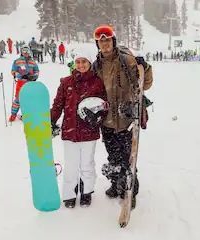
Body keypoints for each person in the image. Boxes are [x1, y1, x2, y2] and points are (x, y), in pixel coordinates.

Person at [92, 25, 153, 209]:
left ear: (113, 41)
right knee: (113, 157)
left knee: (128, 159)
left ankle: (130, 191)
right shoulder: (96, 66)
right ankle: (115, 183)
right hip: (107, 121)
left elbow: (146, 84)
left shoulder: (127, 61)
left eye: (107, 40)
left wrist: (146, 68)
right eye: (101, 41)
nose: (105, 44)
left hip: (126, 120)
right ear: (98, 44)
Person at [50, 49, 107, 208]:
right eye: (78, 61)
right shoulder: (66, 82)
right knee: (71, 165)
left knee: (87, 164)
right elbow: (57, 105)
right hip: (70, 131)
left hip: (89, 132)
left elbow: (104, 105)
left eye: (84, 62)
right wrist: (51, 121)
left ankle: (86, 192)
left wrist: (97, 117)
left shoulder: (97, 82)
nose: (81, 65)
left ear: (89, 63)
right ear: (75, 63)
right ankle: (69, 194)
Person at [9, 45, 39, 122]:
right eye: (24, 51)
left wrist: (33, 77)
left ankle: (27, 114)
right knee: (18, 99)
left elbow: (37, 71)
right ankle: (13, 114)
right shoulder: (17, 61)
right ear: (21, 52)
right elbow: (13, 72)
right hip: (21, 82)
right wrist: (21, 75)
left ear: (29, 52)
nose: (25, 53)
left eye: (27, 51)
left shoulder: (32, 62)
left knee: (29, 99)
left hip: (30, 83)